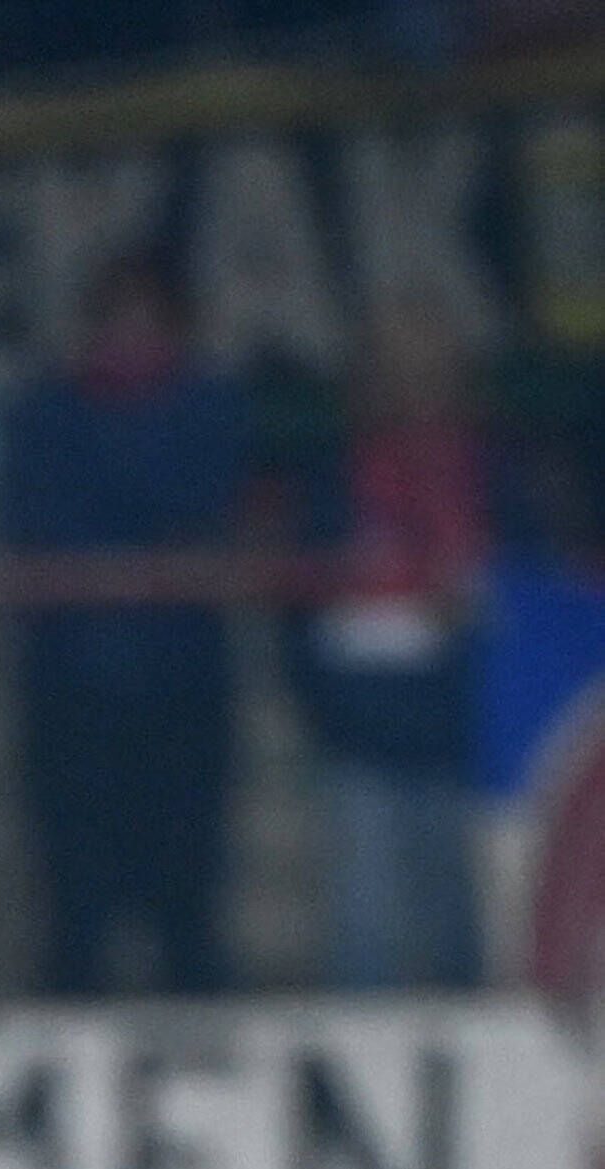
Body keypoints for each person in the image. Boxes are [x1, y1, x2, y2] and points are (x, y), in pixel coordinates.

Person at [0, 252, 248, 997]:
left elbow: (196, 506)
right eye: (115, 318)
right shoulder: (45, 411)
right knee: (77, 887)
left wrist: (128, 544)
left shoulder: (210, 406)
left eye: (147, 318)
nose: (130, 334)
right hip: (73, 690)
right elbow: (39, 518)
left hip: (182, 688)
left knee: (186, 883)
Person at [301, 300, 493, 993]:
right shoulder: (331, 482)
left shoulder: (498, 477)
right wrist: (328, 708)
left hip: (469, 739)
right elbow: (303, 612)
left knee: (465, 931)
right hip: (362, 736)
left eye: (426, 368)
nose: (410, 386)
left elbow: (529, 600)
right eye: (393, 370)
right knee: (366, 932)